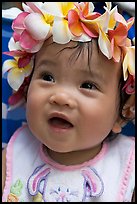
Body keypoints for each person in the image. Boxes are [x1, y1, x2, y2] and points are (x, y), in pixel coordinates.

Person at [2, 2, 135, 202]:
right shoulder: (14, 155)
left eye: (88, 85)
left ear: (121, 116)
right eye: (47, 77)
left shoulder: (127, 164)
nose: (61, 97)